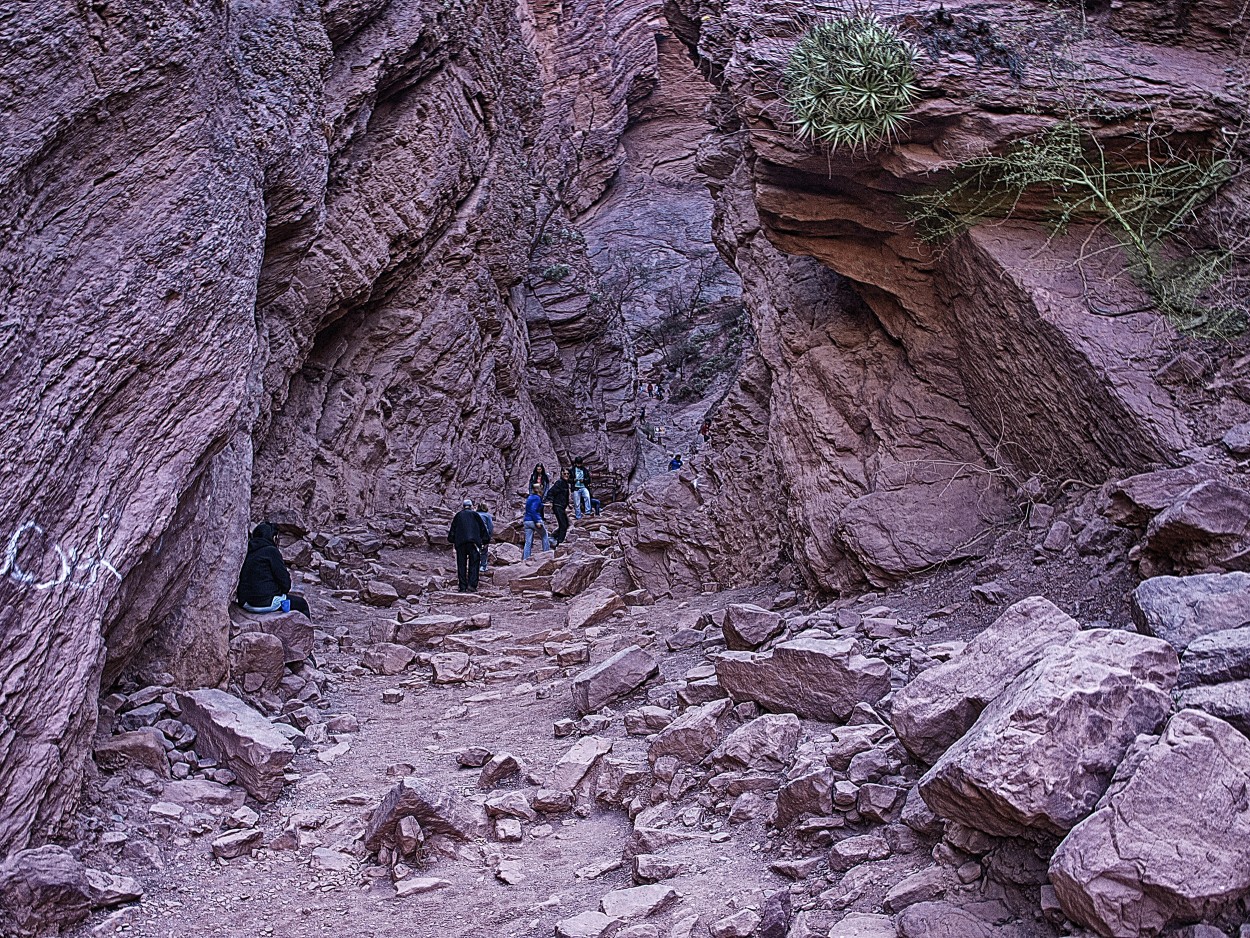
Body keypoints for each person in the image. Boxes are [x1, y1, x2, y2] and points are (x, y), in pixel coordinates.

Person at [236, 522, 311, 618]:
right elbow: (285, 583)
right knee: (302, 603)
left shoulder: (246, 550)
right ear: (273, 537)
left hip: (245, 603)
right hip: (266, 603)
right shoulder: (271, 551)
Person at [448, 499, 488, 592]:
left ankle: (462, 587)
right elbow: (482, 528)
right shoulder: (475, 515)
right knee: (474, 563)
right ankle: (472, 585)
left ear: (463, 506)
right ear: (471, 506)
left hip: (460, 543)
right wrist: (485, 541)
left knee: (461, 564)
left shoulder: (458, 515)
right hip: (473, 542)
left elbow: (453, 529)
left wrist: (452, 539)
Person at [522, 483, 550, 559]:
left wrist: (544, 505)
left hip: (526, 521)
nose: (542, 490)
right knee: (544, 536)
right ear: (538, 490)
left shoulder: (530, 497)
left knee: (528, 541)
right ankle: (547, 555)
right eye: (541, 488)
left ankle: (525, 558)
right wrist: (537, 521)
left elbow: (532, 507)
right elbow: (533, 510)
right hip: (534, 520)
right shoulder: (537, 498)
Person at [546, 468, 571, 547]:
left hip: (561, 506)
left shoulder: (565, 484)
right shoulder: (559, 483)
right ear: (561, 474)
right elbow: (551, 492)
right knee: (563, 525)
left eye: (567, 474)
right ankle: (559, 543)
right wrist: (550, 501)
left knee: (565, 524)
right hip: (558, 506)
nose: (566, 475)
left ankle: (553, 536)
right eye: (564, 474)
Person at [476, 501, 494, 572]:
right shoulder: (487, 515)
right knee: (484, 551)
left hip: (475, 534)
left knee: (476, 549)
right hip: (483, 534)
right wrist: (490, 535)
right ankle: (483, 566)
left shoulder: (475, 514)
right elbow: (491, 526)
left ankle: (475, 564)